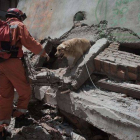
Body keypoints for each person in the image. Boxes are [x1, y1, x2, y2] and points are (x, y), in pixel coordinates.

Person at [0, 8, 49, 140]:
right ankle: (20, 116)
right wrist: (43, 52)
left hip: (0, 64)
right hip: (13, 63)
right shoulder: (18, 25)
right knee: (25, 90)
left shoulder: (2, 27)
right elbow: (29, 42)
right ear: (18, 16)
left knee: (5, 95)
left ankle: (2, 129)